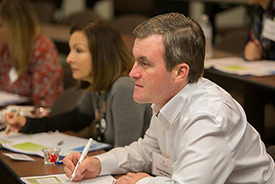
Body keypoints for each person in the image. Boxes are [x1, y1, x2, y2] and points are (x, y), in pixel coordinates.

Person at [63, 12, 275, 183]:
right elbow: (147, 151)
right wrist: (98, 163)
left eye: (144, 63)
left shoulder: (209, 117)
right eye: (135, 61)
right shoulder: (166, 97)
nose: (132, 73)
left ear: (180, 72)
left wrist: (141, 183)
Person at [5, 20, 151, 147]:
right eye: (70, 50)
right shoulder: (99, 85)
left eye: (78, 51)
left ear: (101, 55)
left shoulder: (124, 88)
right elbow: (77, 118)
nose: (69, 59)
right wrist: (27, 123)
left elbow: (126, 154)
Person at [0, 0, 63, 108]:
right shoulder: (5, 48)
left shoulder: (42, 49)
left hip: (31, 120)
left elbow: (45, 102)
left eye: (1, 25)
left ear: (16, 26)